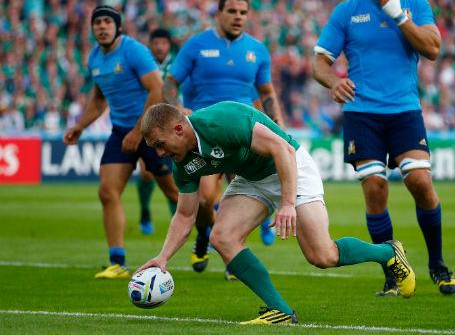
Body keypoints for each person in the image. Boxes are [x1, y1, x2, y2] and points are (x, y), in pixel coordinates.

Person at [136, 102, 416, 324]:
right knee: (222, 236)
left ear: (178, 129)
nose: (159, 153)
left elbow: (281, 149)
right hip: (252, 179)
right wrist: (163, 258)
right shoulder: (182, 163)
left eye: (160, 144)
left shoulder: (222, 120)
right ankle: (279, 310)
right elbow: (185, 216)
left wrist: (286, 204)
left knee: (322, 256)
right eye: (154, 148)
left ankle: (388, 253)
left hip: (290, 166)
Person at [311, 0, 455, 296]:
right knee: (375, 187)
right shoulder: (347, 10)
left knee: (420, 181)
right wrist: (334, 81)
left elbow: (432, 48)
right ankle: (392, 271)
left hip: (404, 109)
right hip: (361, 113)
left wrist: (396, 11)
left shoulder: (415, 5)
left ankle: (437, 264)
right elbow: (320, 62)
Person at [163, 0, 283, 274]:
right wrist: (179, 111)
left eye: (243, 12)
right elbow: (169, 83)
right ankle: (204, 233)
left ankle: (233, 253)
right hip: (204, 134)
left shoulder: (257, 50)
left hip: (244, 133)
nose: (238, 17)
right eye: (232, 11)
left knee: (247, 194)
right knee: (205, 199)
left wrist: (277, 125)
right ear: (218, 14)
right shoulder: (196, 46)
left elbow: (267, 92)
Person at [63, 5, 179, 279]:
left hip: (153, 133)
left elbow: (157, 89)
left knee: (176, 195)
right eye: (97, 23)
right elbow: (99, 99)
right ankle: (118, 261)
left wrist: (140, 131)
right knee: (107, 192)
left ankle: (212, 234)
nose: (102, 27)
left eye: (107, 22)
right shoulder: (94, 57)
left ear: (118, 27)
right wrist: (79, 126)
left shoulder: (134, 51)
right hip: (121, 133)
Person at [137, 28, 179, 235]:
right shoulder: (145, 65)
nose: (160, 47)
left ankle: (177, 222)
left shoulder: (177, 65)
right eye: (156, 43)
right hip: (149, 125)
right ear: (150, 45)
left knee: (174, 176)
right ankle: (145, 211)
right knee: (146, 173)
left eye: (163, 43)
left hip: (172, 127)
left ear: (168, 45)